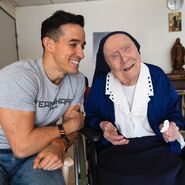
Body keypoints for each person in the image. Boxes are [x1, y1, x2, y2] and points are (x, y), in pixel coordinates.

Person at [85, 31, 185, 185]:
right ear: (107, 63)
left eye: (127, 49)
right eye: (114, 56)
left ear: (138, 50)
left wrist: (172, 126)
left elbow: (174, 112)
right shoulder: (101, 85)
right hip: (117, 151)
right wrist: (103, 125)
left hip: (158, 146)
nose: (124, 59)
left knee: (165, 176)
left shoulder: (157, 76)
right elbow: (91, 116)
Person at [0, 10, 86, 185]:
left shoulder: (77, 80)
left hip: (36, 151)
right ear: (49, 44)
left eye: (82, 46)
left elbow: (74, 128)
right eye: (73, 44)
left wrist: (59, 145)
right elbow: (22, 146)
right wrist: (67, 126)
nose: (82, 54)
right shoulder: (20, 76)